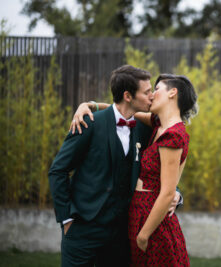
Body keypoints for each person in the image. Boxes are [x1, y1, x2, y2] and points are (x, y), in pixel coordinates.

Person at [48, 65, 181, 267]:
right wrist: (66, 219)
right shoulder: (89, 123)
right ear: (128, 96)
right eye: (146, 92)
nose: (152, 96)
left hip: (122, 234)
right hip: (82, 229)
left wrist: (176, 193)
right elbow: (58, 170)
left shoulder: (146, 131)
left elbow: (158, 169)